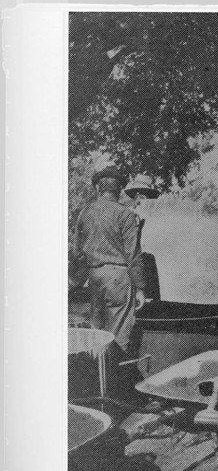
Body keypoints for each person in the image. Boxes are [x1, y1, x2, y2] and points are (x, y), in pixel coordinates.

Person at [74, 166, 146, 396]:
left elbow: (77, 253)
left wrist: (76, 281)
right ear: (120, 190)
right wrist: (141, 288)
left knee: (97, 333)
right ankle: (118, 392)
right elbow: (133, 254)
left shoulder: (85, 213)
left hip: (94, 278)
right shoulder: (125, 214)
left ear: (97, 187)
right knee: (118, 336)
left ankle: (97, 389)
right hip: (118, 278)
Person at [124, 174, 161, 301]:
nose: (139, 197)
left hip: (151, 259)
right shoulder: (129, 212)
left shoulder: (157, 214)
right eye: (136, 194)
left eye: (143, 194)